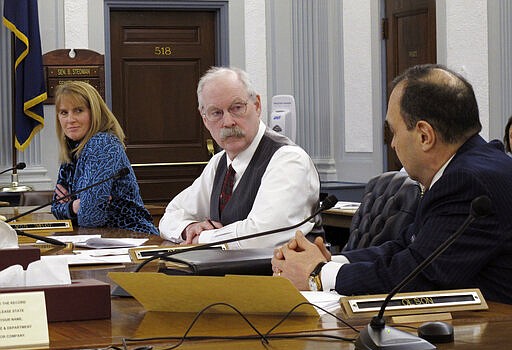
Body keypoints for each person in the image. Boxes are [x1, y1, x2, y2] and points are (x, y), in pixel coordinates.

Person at [272, 64, 512, 305]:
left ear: (424, 136)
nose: (394, 144)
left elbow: (420, 274)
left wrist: (318, 275)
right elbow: (405, 247)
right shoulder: (467, 168)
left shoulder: (468, 183)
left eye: (394, 132)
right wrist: (330, 261)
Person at [159, 67, 321, 248]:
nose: (228, 122)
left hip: (276, 275)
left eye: (236, 108)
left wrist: (202, 239)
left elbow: (262, 235)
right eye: (216, 113)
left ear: (257, 105)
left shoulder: (288, 160)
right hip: (225, 273)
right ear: (204, 119)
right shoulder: (218, 163)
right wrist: (189, 228)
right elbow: (170, 216)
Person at [51, 81, 158, 235]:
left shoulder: (103, 144)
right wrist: (74, 206)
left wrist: (76, 206)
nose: (70, 119)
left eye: (78, 110)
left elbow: (91, 216)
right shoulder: (72, 147)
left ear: (94, 112)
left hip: (132, 237)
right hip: (99, 240)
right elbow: (55, 208)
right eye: (64, 112)